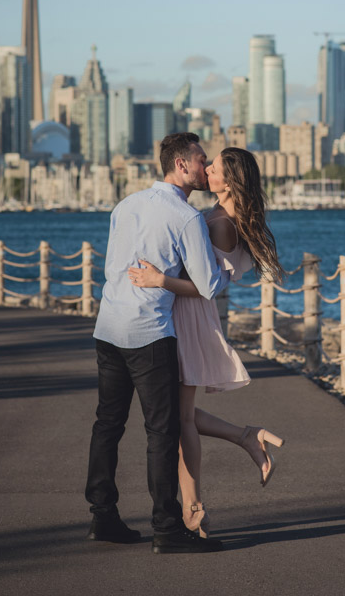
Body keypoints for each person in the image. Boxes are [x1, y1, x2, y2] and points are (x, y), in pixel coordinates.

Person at [128, 147, 285, 537]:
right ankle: (246, 436)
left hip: (187, 316)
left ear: (229, 182)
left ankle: (194, 509)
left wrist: (158, 280)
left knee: (179, 420)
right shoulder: (217, 217)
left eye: (213, 167)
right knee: (172, 412)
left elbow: (204, 288)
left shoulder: (219, 223)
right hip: (183, 314)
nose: (206, 170)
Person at [85, 132, 228, 554]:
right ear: (182, 165)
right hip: (148, 332)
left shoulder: (125, 205)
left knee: (107, 425)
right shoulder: (186, 218)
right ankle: (167, 528)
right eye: (202, 160)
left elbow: (113, 266)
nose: (206, 167)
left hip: (109, 326)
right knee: (161, 432)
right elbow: (209, 286)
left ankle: (103, 517)